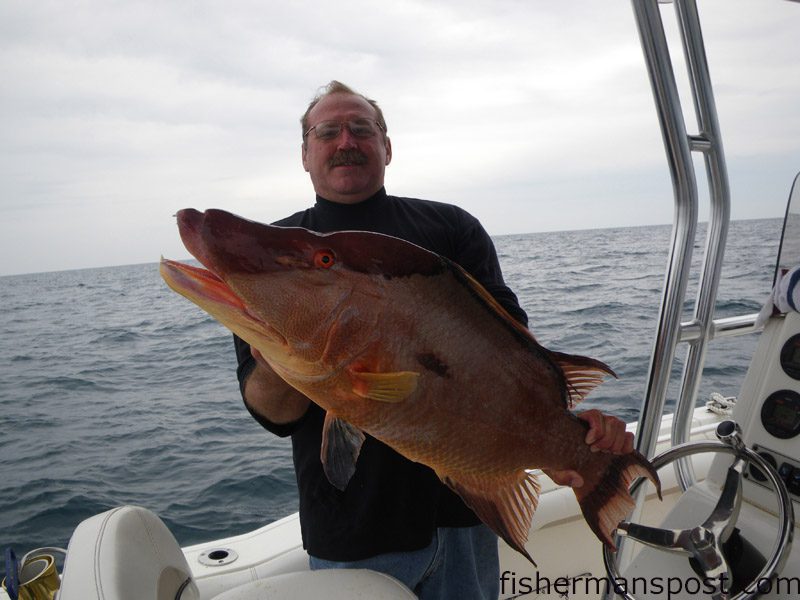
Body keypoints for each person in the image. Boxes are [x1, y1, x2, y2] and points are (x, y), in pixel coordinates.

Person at [233, 81, 635, 599]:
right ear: (306, 156)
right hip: (352, 532)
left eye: (362, 128)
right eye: (326, 132)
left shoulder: (450, 228)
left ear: (387, 146)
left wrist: (562, 443)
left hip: (468, 517)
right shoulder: (276, 259)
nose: (345, 141)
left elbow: (517, 356)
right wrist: (291, 339)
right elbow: (274, 414)